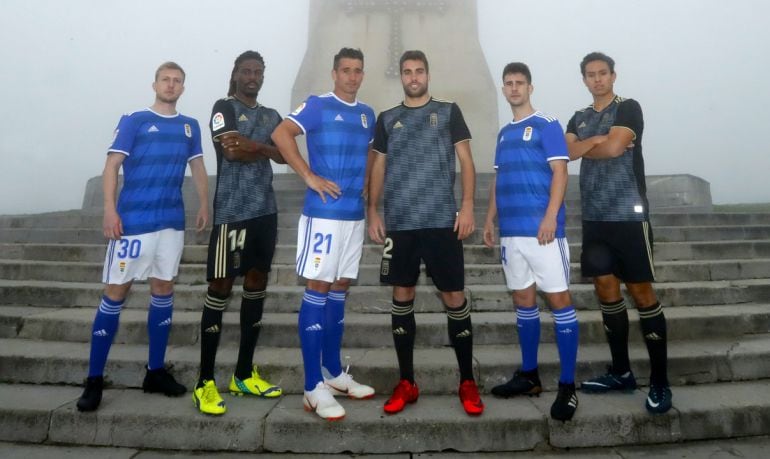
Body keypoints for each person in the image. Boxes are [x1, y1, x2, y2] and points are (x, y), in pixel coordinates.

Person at [76, 62, 209, 412]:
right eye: (165, 79)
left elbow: (197, 167)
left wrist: (205, 204)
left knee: (163, 289)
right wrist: (109, 209)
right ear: (155, 84)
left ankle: (155, 371)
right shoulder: (134, 119)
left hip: (170, 222)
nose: (171, 84)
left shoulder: (189, 126)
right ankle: (93, 379)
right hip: (133, 221)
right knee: (116, 293)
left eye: (177, 80)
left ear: (183, 87)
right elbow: (112, 165)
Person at [368, 50, 484, 417]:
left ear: (428, 75)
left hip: (440, 221)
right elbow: (379, 166)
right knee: (402, 295)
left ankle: (467, 381)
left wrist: (466, 206)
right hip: (400, 223)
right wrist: (372, 209)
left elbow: (466, 160)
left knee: (453, 295)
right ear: (401, 77)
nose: (413, 77)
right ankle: (407, 382)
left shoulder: (449, 111)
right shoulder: (388, 119)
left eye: (419, 71)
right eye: (407, 71)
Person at [271, 47, 376, 421]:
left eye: (357, 71)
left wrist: (367, 190)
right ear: (334, 73)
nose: (352, 76)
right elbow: (281, 134)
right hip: (324, 215)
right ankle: (312, 386)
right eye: (345, 70)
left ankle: (332, 373)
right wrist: (308, 176)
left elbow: (370, 157)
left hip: (354, 216)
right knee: (317, 288)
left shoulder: (367, 114)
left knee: (341, 287)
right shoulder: (317, 104)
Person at [565, 52, 671, 414]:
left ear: (613, 76)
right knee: (605, 289)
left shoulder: (629, 108)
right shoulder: (578, 117)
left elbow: (612, 147)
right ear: (584, 79)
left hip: (629, 215)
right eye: (590, 75)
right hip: (595, 219)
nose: (597, 80)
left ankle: (660, 382)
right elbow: (568, 150)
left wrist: (589, 144)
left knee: (641, 291)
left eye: (603, 74)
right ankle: (621, 371)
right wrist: (599, 142)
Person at [482, 62, 579, 421]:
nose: (513, 88)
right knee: (523, 300)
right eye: (508, 83)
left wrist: (551, 216)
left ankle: (568, 386)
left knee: (558, 300)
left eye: (519, 83)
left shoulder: (547, 124)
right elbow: (497, 179)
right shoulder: (504, 132)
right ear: (504, 89)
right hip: (512, 234)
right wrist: (490, 218)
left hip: (543, 232)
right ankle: (529, 375)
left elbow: (560, 171)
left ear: (530, 87)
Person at [192, 50, 285, 416]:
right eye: (246, 71)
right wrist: (268, 149)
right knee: (219, 290)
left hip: (265, 213)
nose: (252, 76)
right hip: (231, 213)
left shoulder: (272, 115)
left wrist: (257, 148)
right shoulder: (223, 107)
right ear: (235, 75)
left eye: (258, 71)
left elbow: (286, 155)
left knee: (256, 286)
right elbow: (231, 152)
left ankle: (243, 374)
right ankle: (205, 382)